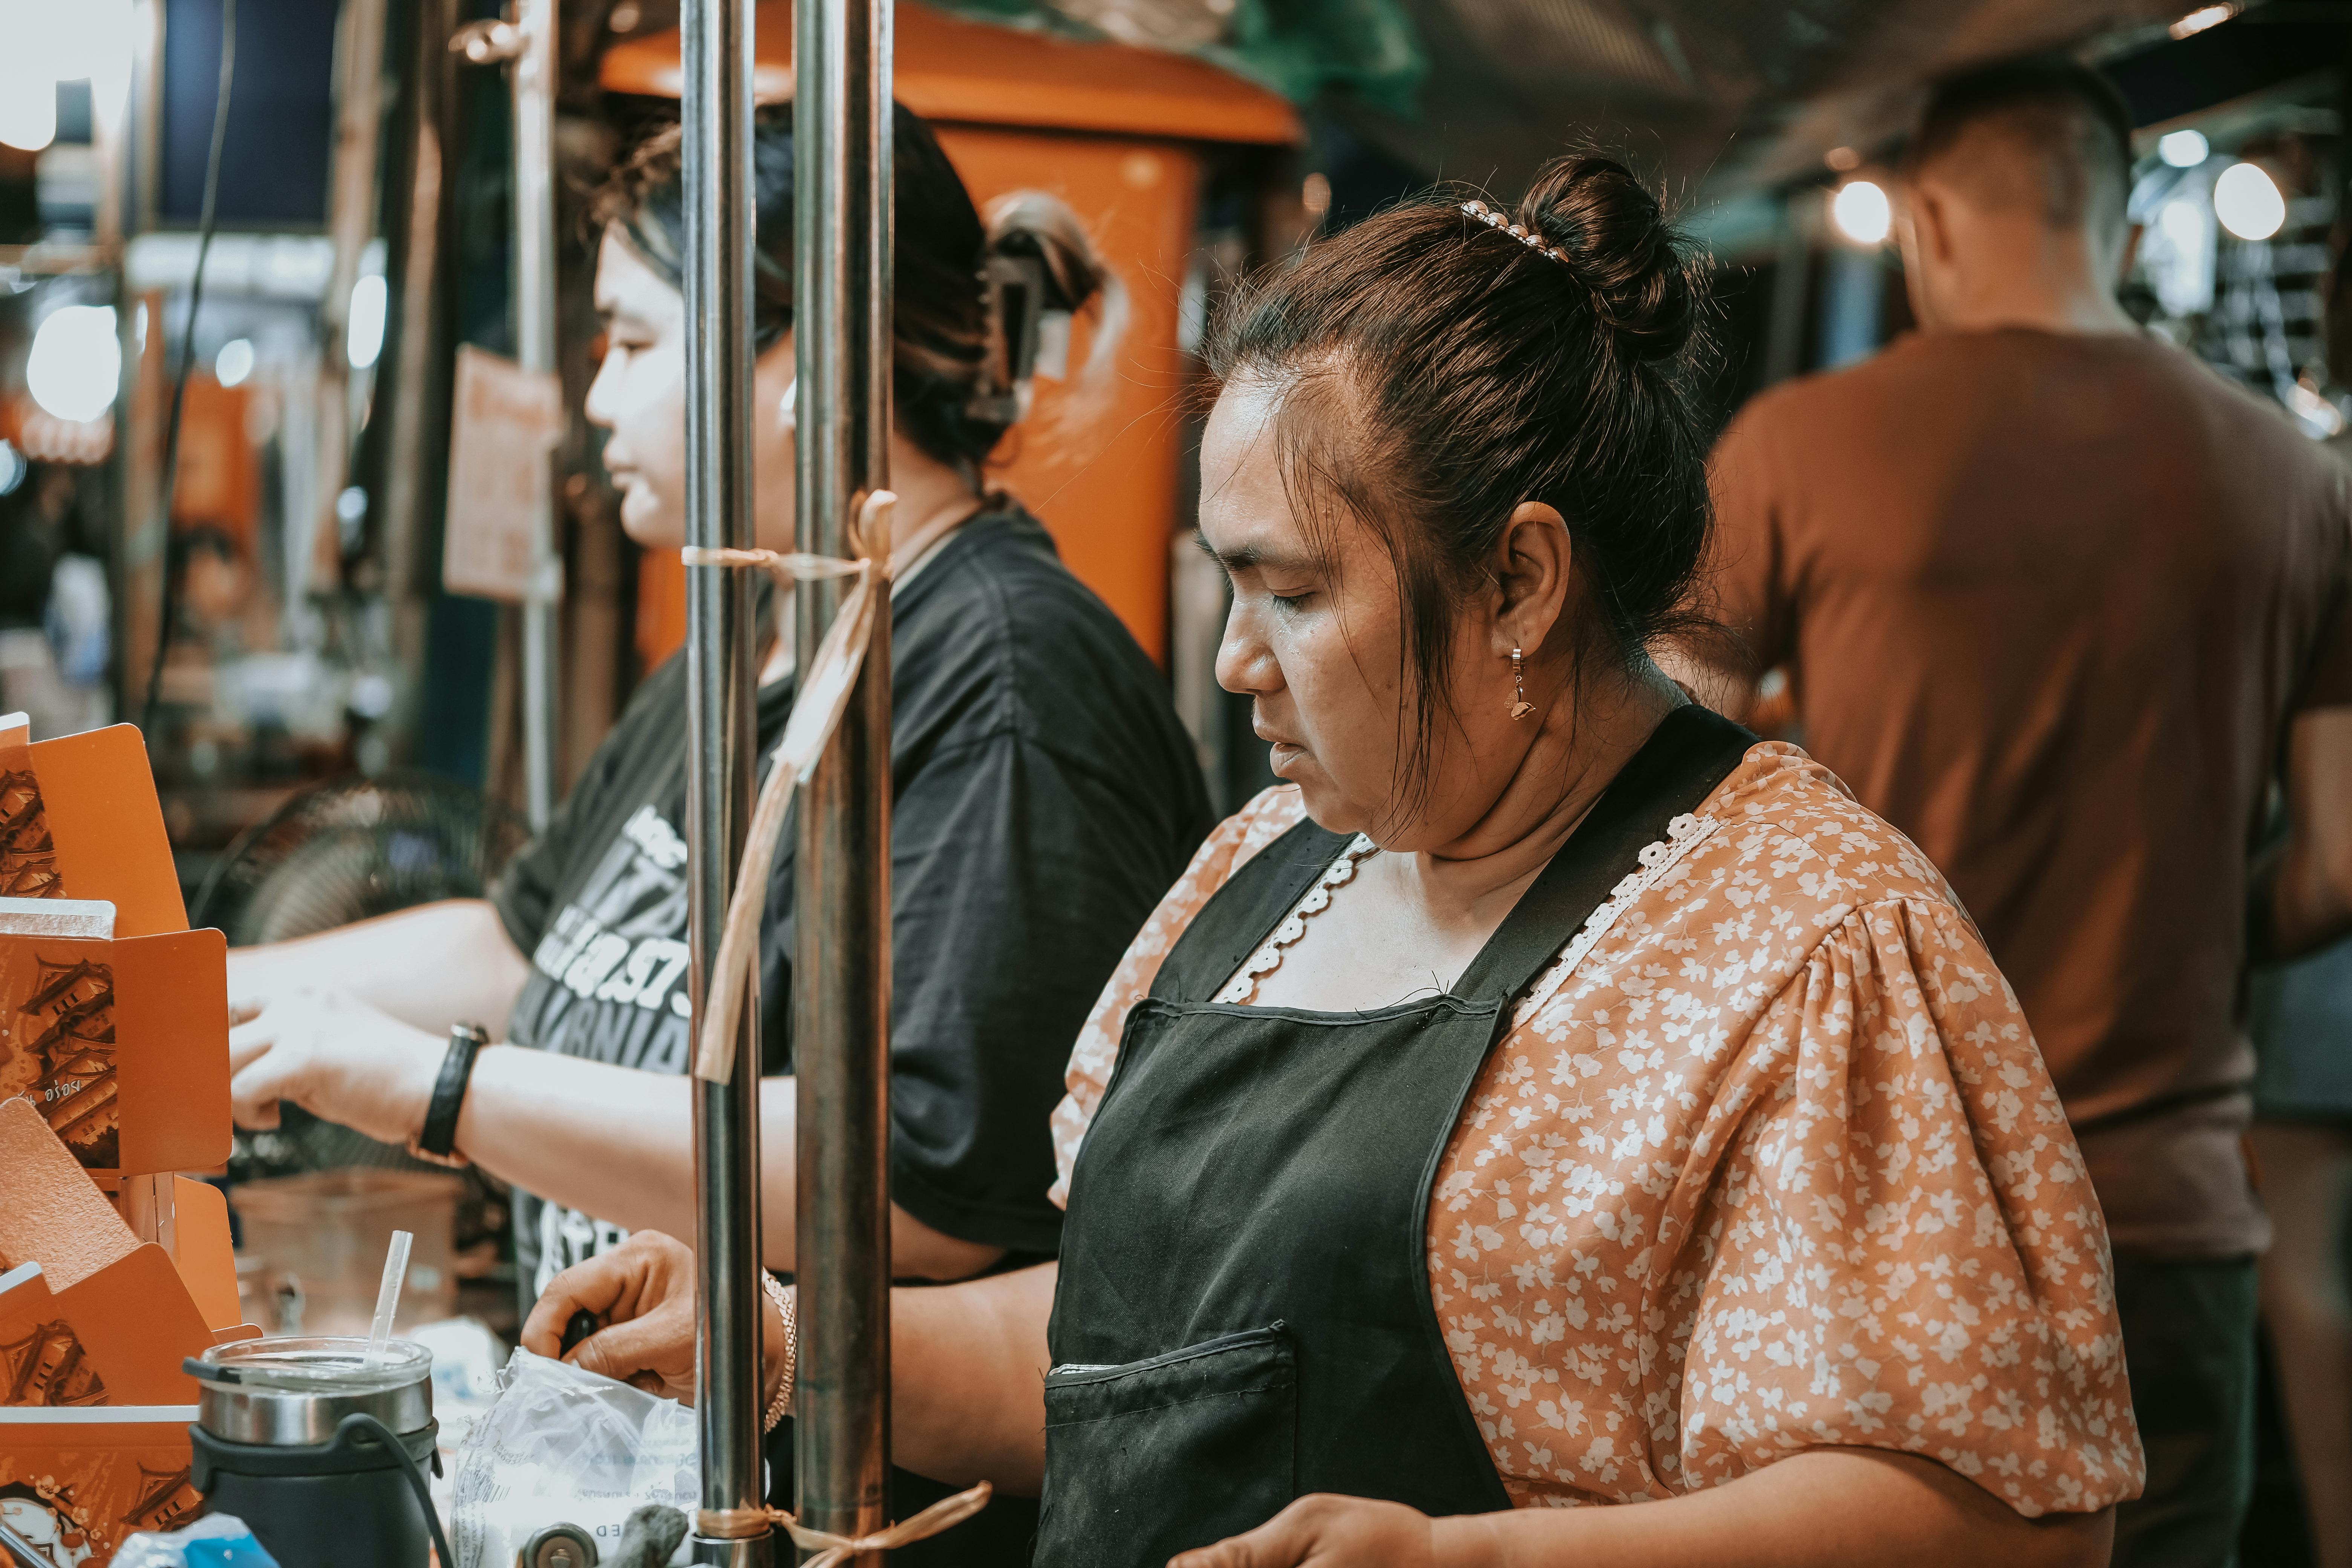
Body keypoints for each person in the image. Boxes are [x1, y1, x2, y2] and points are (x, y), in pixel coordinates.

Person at [524, 154, 2141, 1568]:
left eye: (1293, 593)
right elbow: (1125, 1359)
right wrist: (804, 1339)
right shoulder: (1270, 871)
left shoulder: (1801, 940)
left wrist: (1475, 1562)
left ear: (1519, 578)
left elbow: (2007, 1519)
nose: (1235, 661)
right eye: (1226, 585)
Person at [223, 107, 1212, 1303]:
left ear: (808, 359)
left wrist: (434, 1089)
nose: (598, 402)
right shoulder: (756, 630)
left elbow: (922, 1191)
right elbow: (520, 945)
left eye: (633, 344)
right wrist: (203, 989)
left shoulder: (1008, 681)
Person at [1679, 55, 2352, 1568]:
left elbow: (1666, 815)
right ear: (2116, 229)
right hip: (2172, 1217)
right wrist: (2176, 923)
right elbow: (2341, 859)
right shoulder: (2295, 482)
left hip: (1882, 1211)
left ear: (1924, 221)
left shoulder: (1795, 449)